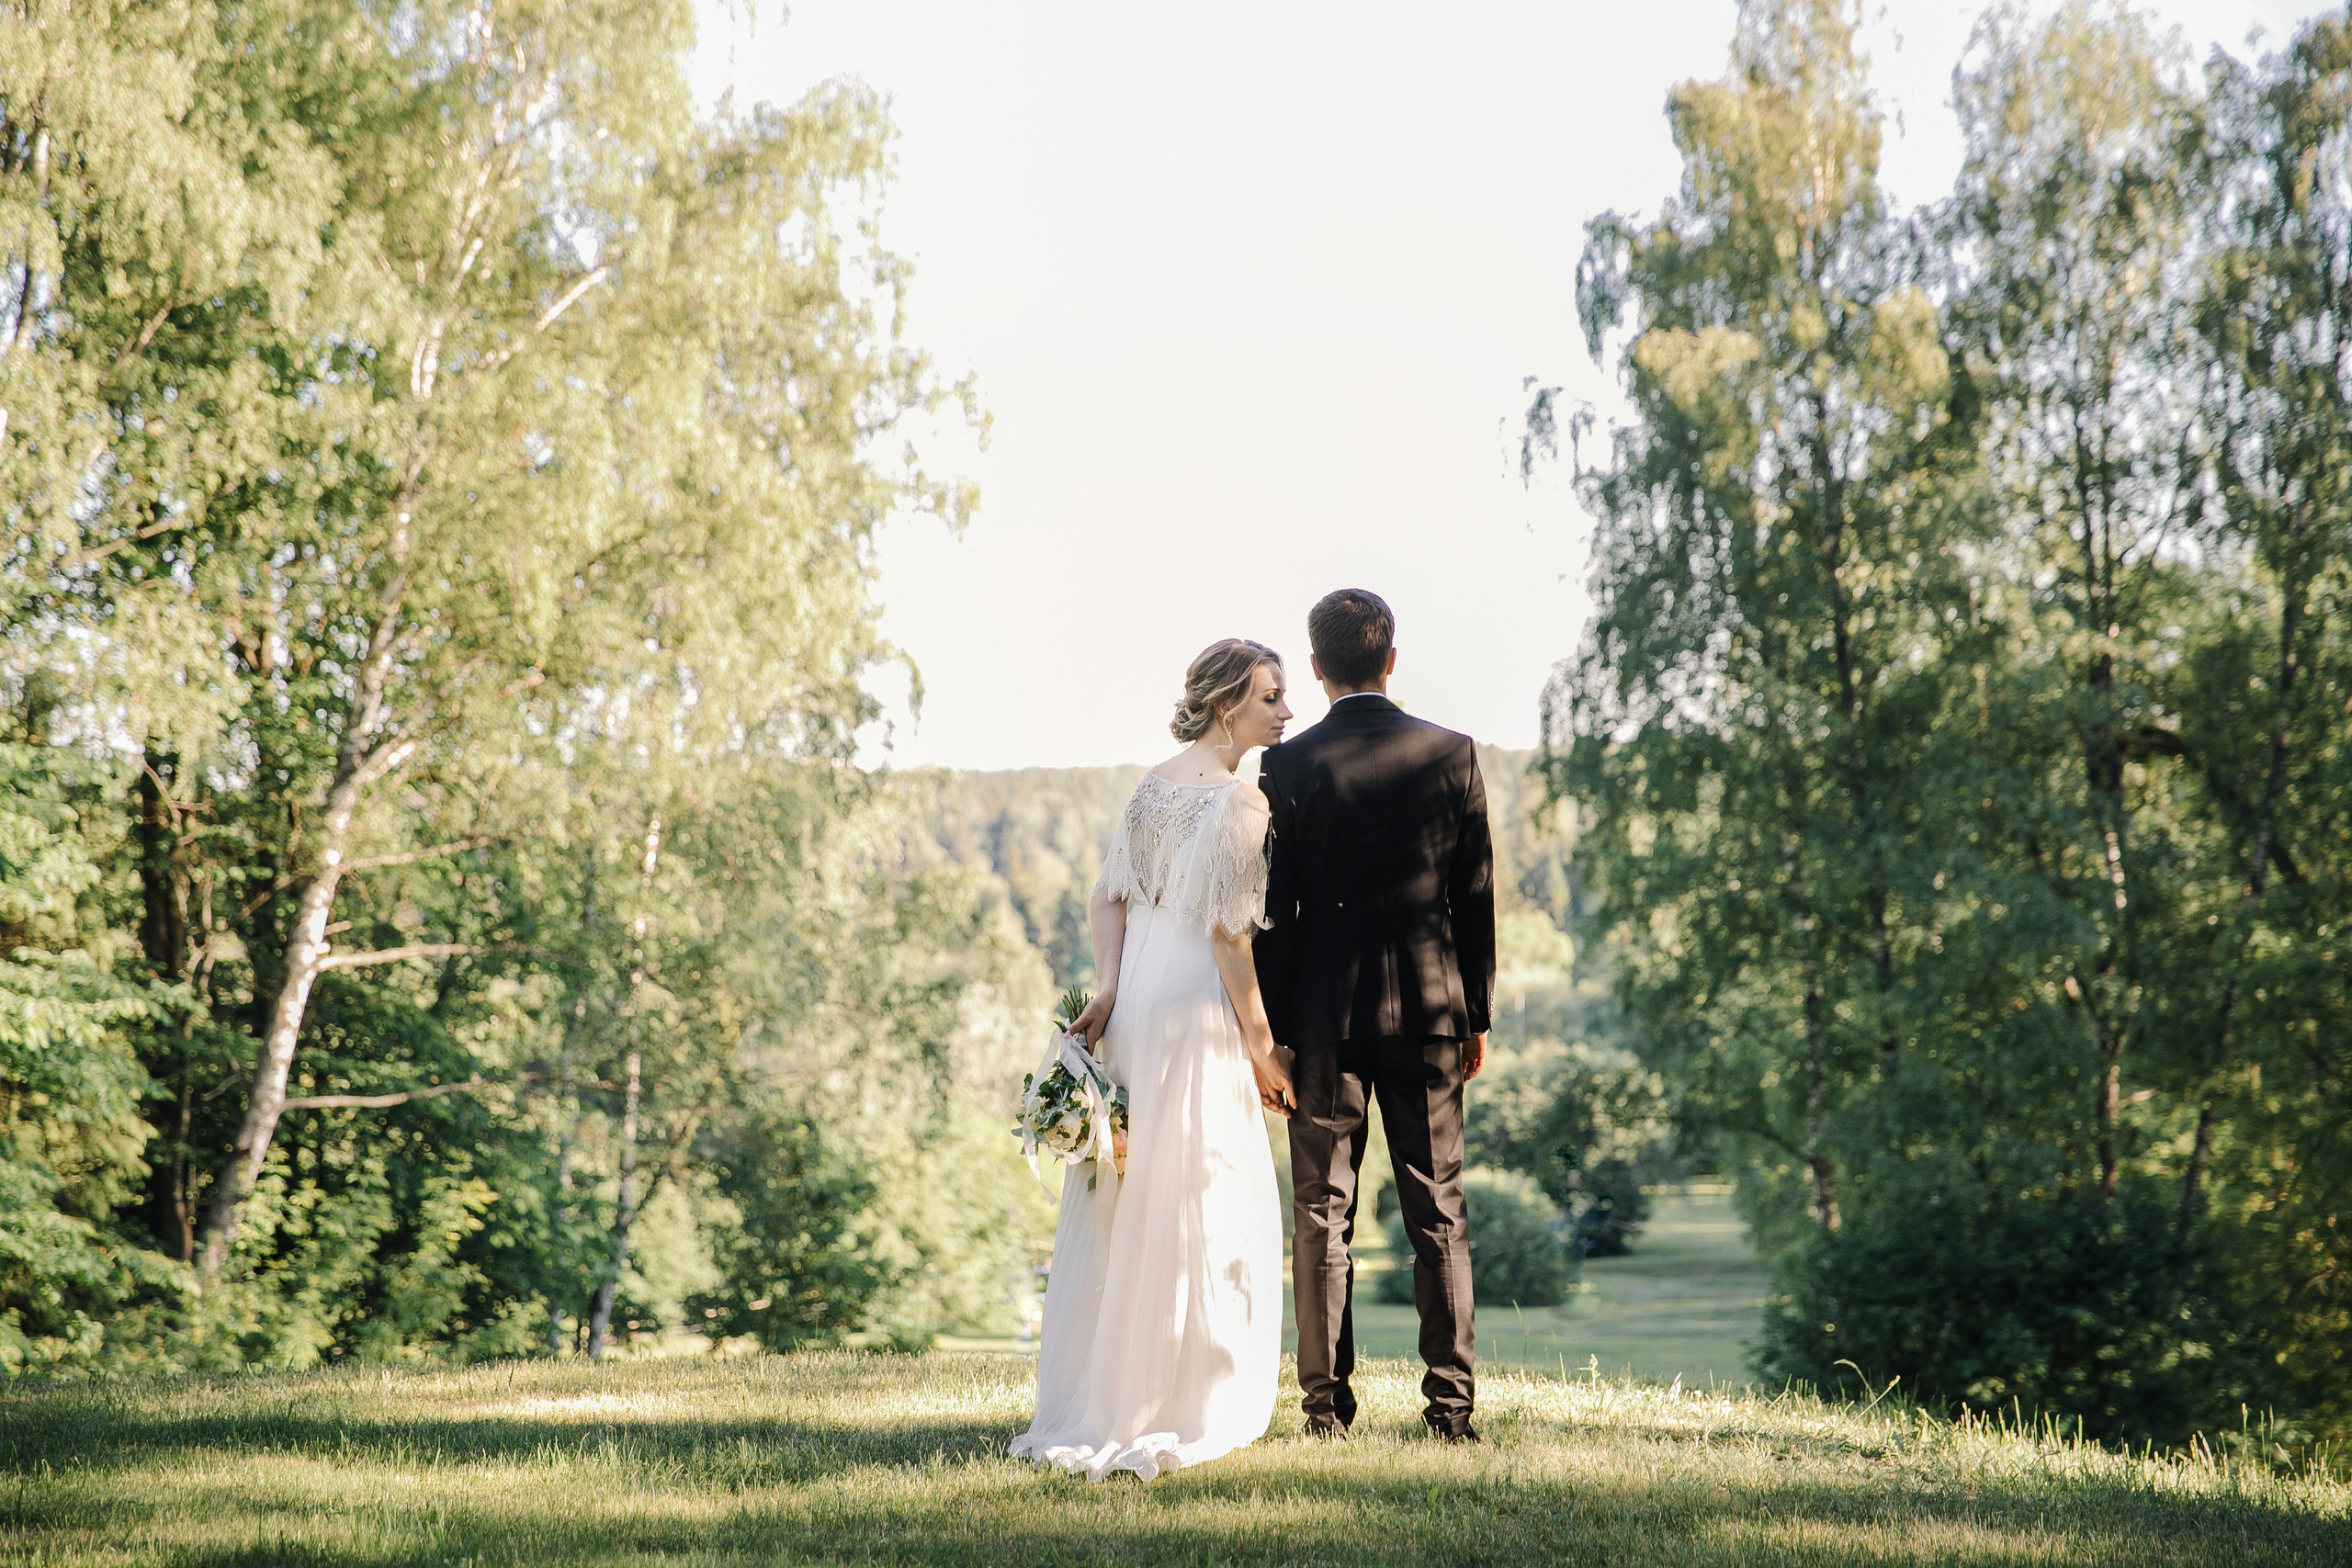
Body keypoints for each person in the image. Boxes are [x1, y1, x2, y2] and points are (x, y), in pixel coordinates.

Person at [1010, 637, 1297, 1482]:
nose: (1286, 712)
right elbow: (1228, 932)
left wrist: (1106, 988)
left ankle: (1113, 1390)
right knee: (1199, 1188)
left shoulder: (1151, 786)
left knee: (1131, 1194)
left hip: (1139, 1003)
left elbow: (1109, 896)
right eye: (1271, 697)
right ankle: (1186, 1395)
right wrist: (1261, 1045)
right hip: (1196, 1012)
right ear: (1225, 706)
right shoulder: (1243, 804)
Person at [1253, 588, 1496, 1443]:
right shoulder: (1453, 753)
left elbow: (1272, 912)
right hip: (1431, 1013)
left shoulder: (1286, 768)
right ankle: (1452, 1413)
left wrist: (1275, 1032)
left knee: (1321, 1212)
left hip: (1323, 1019)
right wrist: (1475, 1015)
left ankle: (1326, 1413)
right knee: (1440, 1211)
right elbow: (1475, 899)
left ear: (1315, 669)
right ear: (1391, 658)